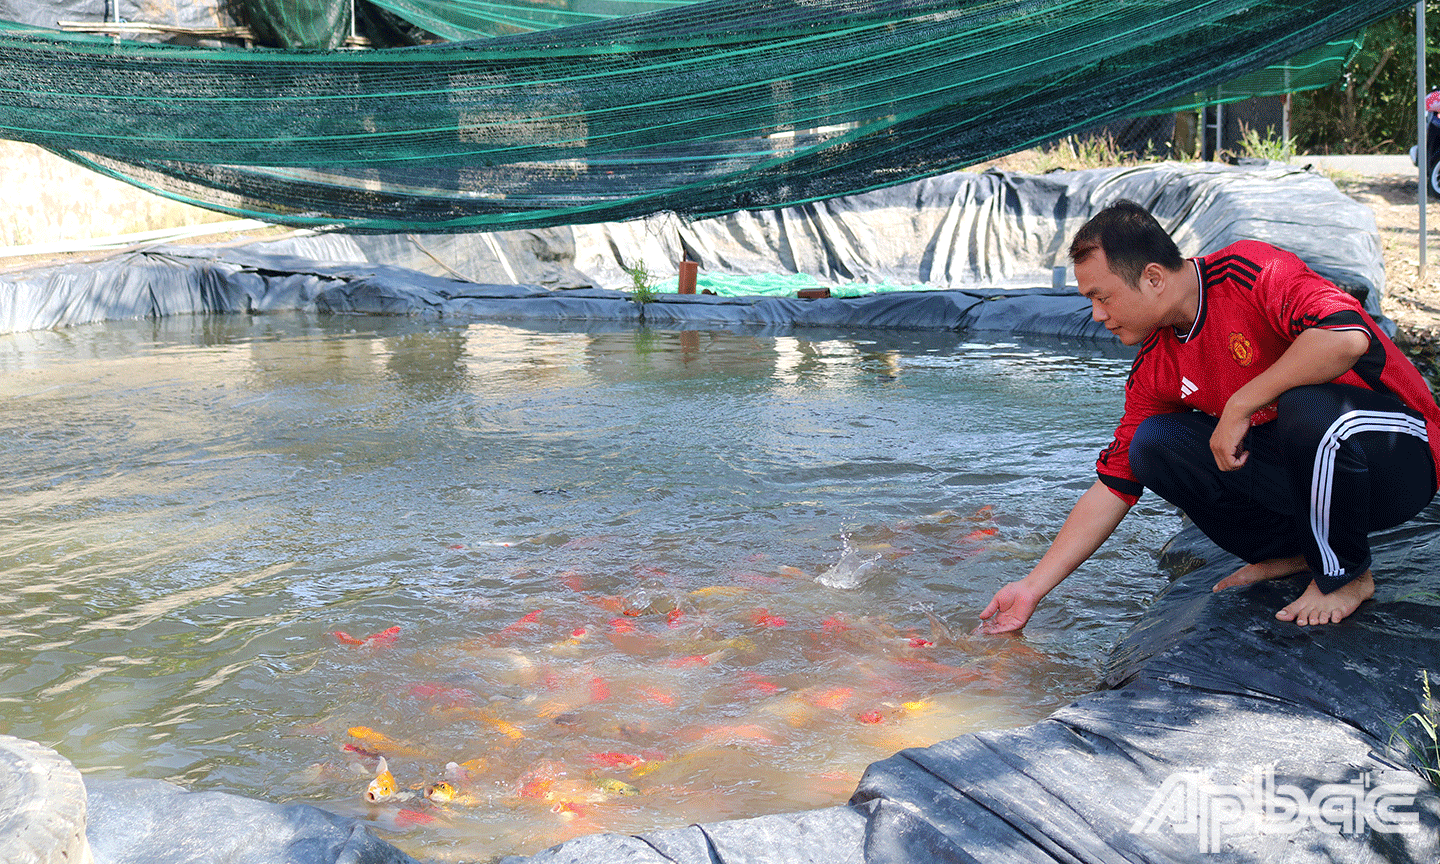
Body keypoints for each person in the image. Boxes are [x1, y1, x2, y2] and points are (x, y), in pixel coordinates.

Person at [979, 199, 1440, 632]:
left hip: (1399, 459)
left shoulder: (1249, 270)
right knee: (1153, 444)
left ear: (1154, 278)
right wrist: (1031, 588)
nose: (1097, 315)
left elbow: (1346, 338)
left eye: (1102, 297)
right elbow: (1114, 484)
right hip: (1317, 484)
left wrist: (1242, 404)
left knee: (1306, 406)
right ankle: (1297, 553)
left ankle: (1346, 576)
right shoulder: (1154, 361)